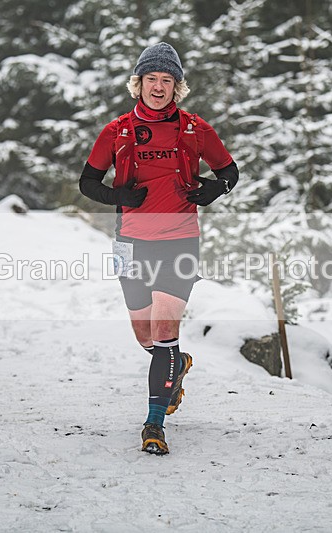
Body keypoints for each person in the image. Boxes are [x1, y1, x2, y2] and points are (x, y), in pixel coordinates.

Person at [78, 42, 238, 454]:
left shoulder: (195, 128)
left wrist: (211, 192)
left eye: (167, 80)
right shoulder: (115, 131)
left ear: (177, 87)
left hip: (180, 240)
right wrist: (120, 198)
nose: (159, 87)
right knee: (144, 335)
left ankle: (154, 424)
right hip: (130, 241)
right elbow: (88, 183)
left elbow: (229, 171)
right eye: (152, 79)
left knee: (165, 332)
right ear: (139, 83)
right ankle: (175, 364)